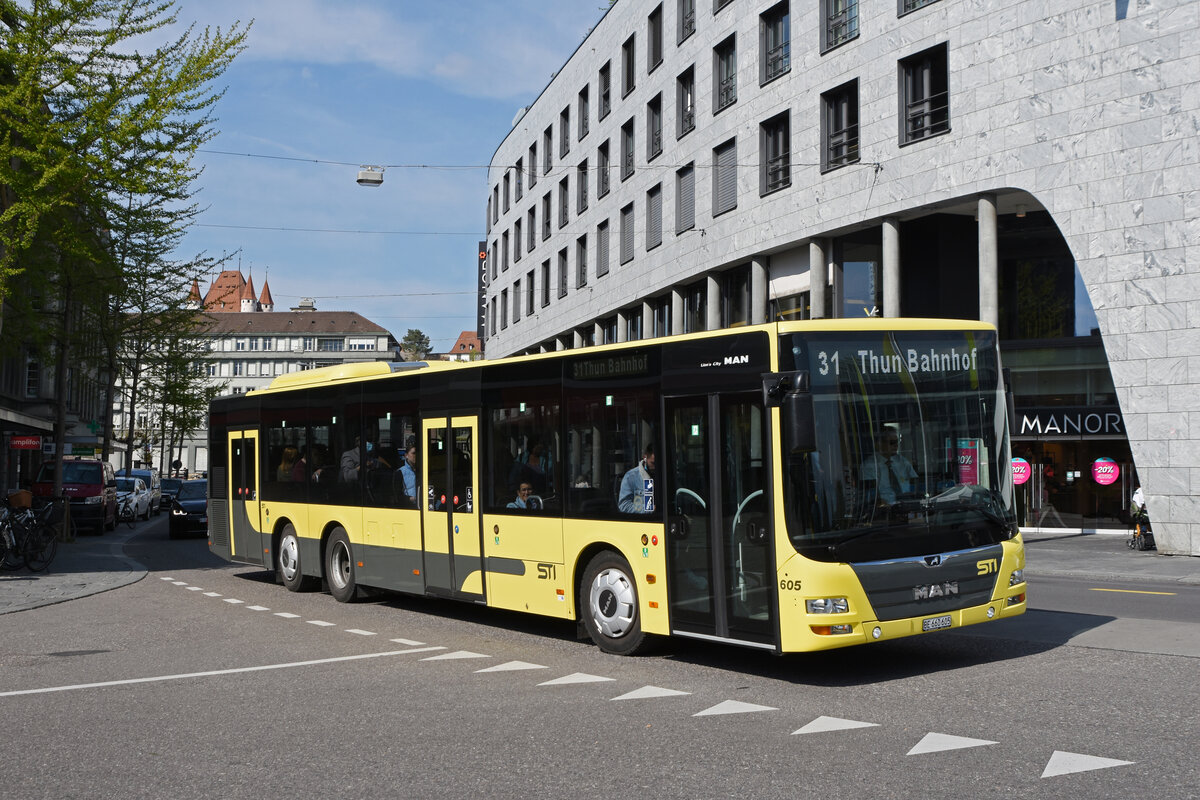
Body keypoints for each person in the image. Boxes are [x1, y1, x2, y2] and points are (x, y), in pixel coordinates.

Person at [860, 428, 917, 504]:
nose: (896, 445)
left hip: (907, 504)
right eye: (892, 442)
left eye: (897, 441)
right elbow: (870, 494)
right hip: (884, 509)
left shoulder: (902, 461)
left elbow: (915, 481)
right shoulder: (869, 466)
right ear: (880, 444)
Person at [618, 443, 656, 514]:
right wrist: (648, 509)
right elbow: (624, 506)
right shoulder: (631, 477)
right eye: (653, 463)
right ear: (645, 457)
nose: (655, 468)